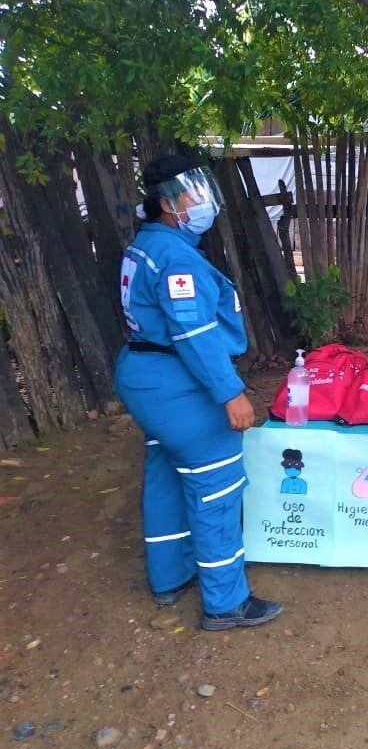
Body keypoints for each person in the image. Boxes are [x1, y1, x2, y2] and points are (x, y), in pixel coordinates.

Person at [115, 154, 283, 631]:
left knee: (167, 472)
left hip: (146, 376)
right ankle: (226, 602)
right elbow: (193, 332)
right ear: (168, 203)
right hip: (177, 382)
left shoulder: (147, 244)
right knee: (218, 487)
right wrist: (230, 392)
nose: (201, 199)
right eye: (192, 192)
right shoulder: (175, 257)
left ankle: (169, 575)